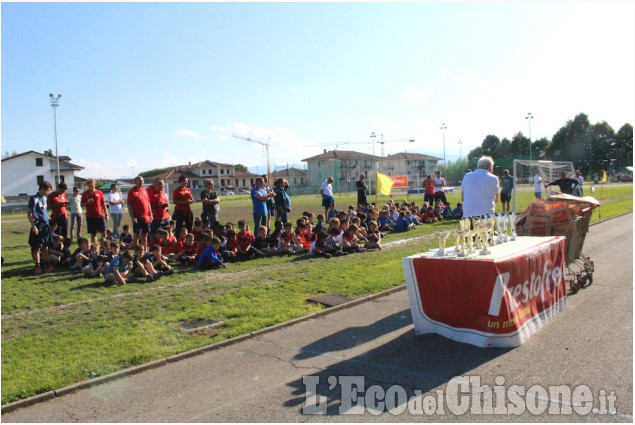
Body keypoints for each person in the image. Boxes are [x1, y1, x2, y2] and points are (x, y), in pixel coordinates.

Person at [28, 181, 54, 274]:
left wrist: (49, 220)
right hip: (38, 225)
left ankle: (46, 264)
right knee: (37, 247)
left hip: (45, 225)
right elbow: (29, 213)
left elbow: (43, 212)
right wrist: (33, 226)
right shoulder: (33, 198)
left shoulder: (44, 198)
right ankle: (37, 266)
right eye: (47, 190)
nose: (48, 192)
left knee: (45, 246)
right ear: (42, 188)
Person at [127, 176, 152, 252]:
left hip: (146, 217)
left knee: (145, 234)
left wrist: (151, 214)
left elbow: (148, 203)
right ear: (135, 182)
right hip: (137, 217)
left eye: (142, 180)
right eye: (139, 181)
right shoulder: (132, 191)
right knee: (137, 234)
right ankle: (137, 251)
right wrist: (132, 217)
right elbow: (129, 205)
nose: (141, 182)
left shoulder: (144, 190)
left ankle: (144, 250)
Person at [81, 179, 109, 245]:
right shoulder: (85, 194)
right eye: (89, 186)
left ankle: (104, 246)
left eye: (92, 186)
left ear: (94, 185)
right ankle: (95, 247)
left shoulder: (99, 193)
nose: (91, 188)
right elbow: (81, 204)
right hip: (90, 216)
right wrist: (87, 202)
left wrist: (106, 213)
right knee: (93, 233)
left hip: (99, 215)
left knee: (103, 232)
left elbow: (103, 203)